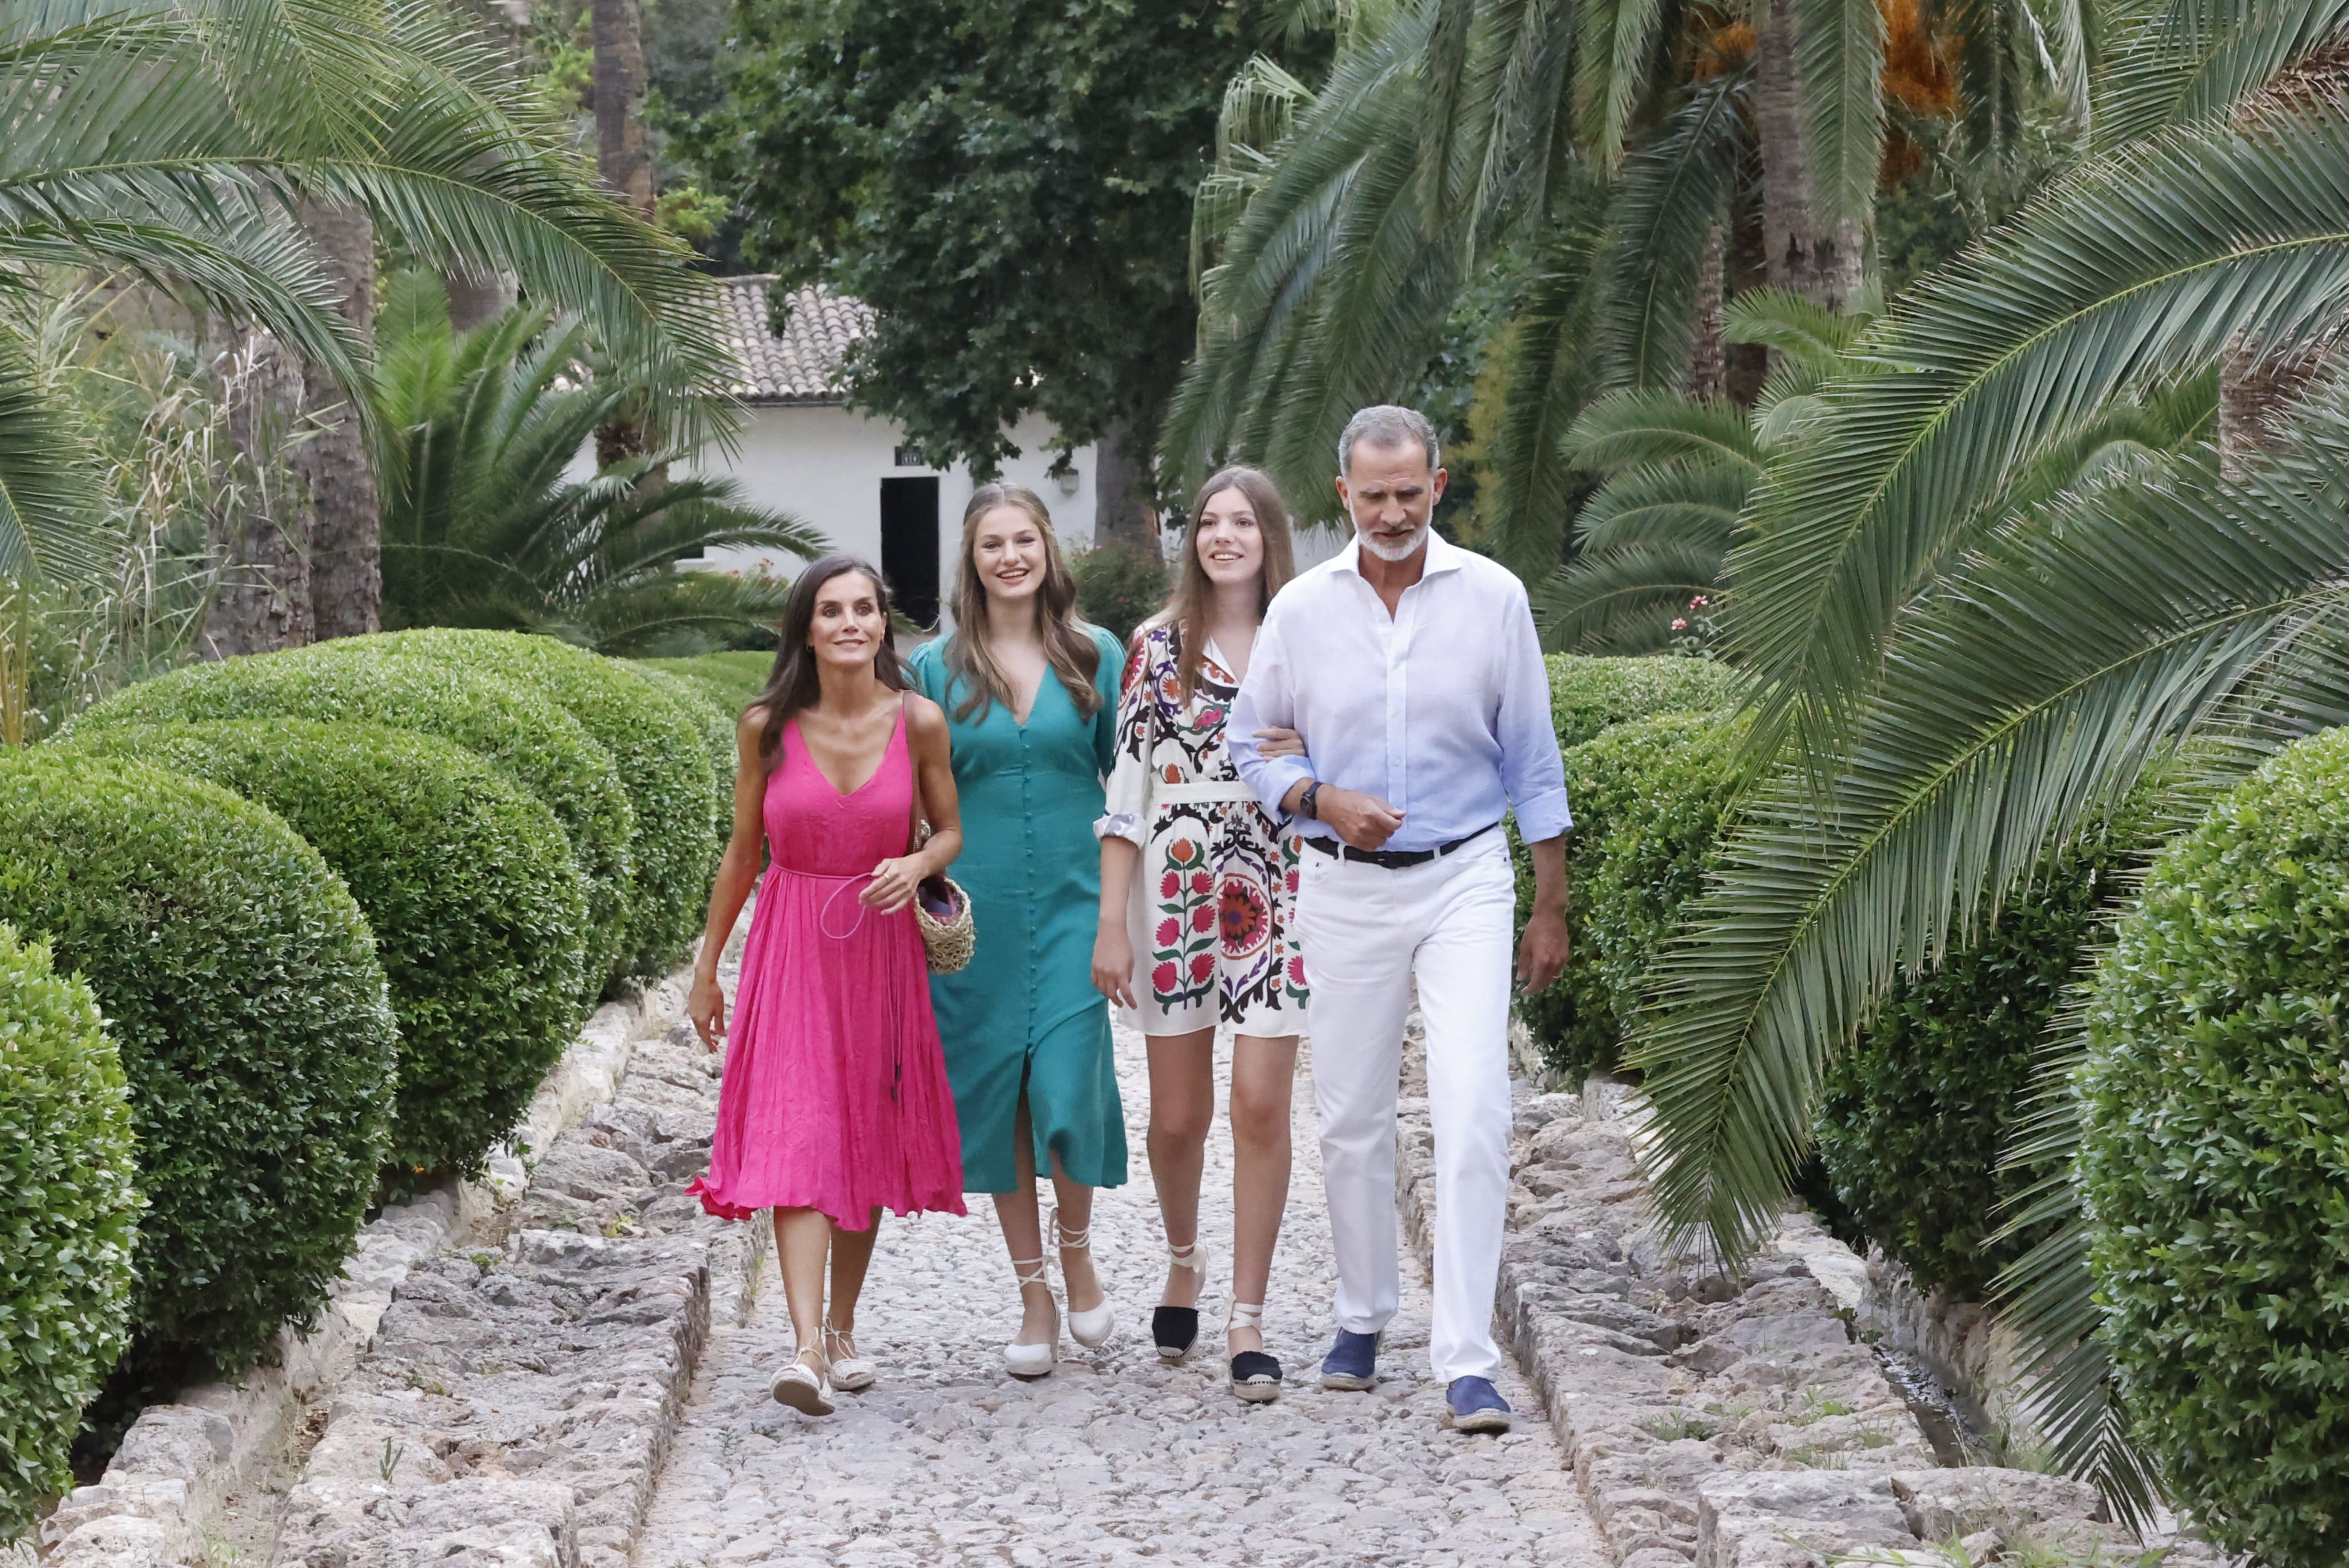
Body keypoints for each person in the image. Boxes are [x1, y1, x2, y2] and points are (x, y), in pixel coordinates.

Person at [1228, 405, 1572, 1435]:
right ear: (1343, 494)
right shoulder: (1299, 609)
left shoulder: (1495, 599)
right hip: (1340, 883)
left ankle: (1466, 1358)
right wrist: (1318, 798)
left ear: (1439, 487)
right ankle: (1363, 1315)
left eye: (1407, 493)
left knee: (1473, 1107)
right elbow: (1254, 746)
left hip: (1466, 876)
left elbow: (1533, 757)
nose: (1389, 512)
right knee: (1351, 1116)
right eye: (1371, 495)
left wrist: (1550, 902)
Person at [685, 555, 968, 1417]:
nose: (851, 623)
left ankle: (843, 1328)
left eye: (866, 610)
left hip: (880, 950)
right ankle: (805, 1349)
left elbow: (952, 830)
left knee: (863, 1136)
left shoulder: (919, 721)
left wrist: (917, 859)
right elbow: (742, 853)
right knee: (802, 1138)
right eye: (832, 611)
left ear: (884, 624)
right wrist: (707, 968)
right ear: (806, 627)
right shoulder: (766, 725)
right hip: (792, 945)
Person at [1091, 466, 1308, 1403]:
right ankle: (1184, 1257)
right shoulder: (1154, 647)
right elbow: (1127, 794)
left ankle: (1247, 1319)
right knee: (1179, 1117)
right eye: (1210, 522)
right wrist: (1112, 922)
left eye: (1243, 521)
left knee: (1262, 1105)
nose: (1225, 536)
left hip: (1281, 883)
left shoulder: (1310, 635)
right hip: (1176, 887)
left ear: (1271, 535)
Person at [909, 483, 1127, 1378]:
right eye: (992, 543)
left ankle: (1077, 1249)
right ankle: (1033, 1291)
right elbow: (911, 796)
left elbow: (1131, 787)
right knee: (999, 1097)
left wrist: (1123, 914)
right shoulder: (933, 668)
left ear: (1048, 551)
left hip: (1077, 902)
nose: (1010, 557)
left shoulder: (1097, 654)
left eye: (1024, 540)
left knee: (1069, 1092)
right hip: (979, 913)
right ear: (973, 559)